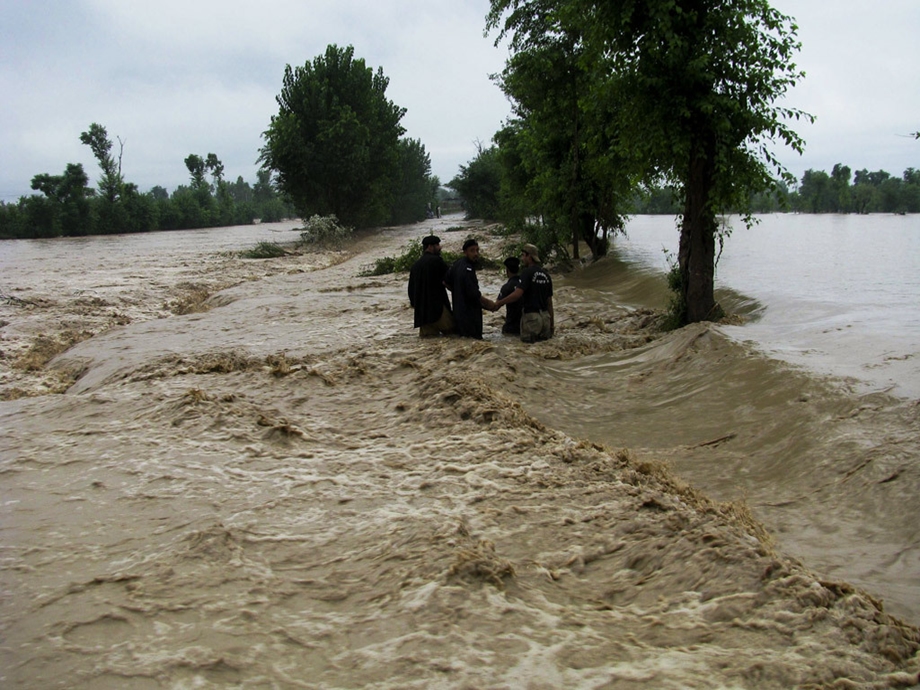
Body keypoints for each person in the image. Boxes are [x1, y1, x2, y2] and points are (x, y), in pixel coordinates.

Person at [494, 243, 554, 342]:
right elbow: (549, 304)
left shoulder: (527, 273)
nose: (522, 259)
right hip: (545, 319)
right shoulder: (546, 275)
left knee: (528, 352)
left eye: (523, 255)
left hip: (532, 319)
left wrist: (499, 302)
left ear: (529, 256)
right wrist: (551, 325)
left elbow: (517, 294)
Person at [445, 238, 496, 339]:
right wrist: (488, 303)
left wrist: (457, 291)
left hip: (458, 314)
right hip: (470, 316)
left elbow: (445, 282)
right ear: (465, 252)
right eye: (472, 250)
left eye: (477, 250)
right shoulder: (467, 269)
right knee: (475, 343)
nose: (476, 253)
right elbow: (473, 293)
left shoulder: (457, 264)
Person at [408, 235, 454, 337]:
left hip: (422, 315)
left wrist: (417, 306)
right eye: (437, 245)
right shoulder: (437, 261)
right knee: (453, 336)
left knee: (429, 344)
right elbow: (450, 280)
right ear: (430, 247)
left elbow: (411, 291)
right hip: (439, 311)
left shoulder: (415, 266)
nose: (440, 247)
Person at [497, 256, 523, 335]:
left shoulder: (506, 287)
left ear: (507, 270)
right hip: (525, 325)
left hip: (512, 326)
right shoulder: (524, 284)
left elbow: (496, 305)